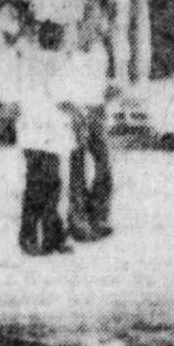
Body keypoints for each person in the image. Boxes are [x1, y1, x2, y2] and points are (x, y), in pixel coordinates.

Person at [16, 21, 76, 256]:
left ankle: (44, 237)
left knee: (38, 186)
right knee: (48, 187)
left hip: (32, 134)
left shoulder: (31, 61)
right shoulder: (55, 62)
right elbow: (62, 97)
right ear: (56, 39)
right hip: (47, 136)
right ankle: (38, 238)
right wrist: (78, 113)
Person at [65, 41, 114, 241]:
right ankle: (78, 220)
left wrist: (107, 93)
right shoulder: (69, 48)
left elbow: (100, 79)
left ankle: (98, 216)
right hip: (77, 111)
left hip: (97, 109)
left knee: (104, 164)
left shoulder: (100, 48)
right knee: (78, 167)